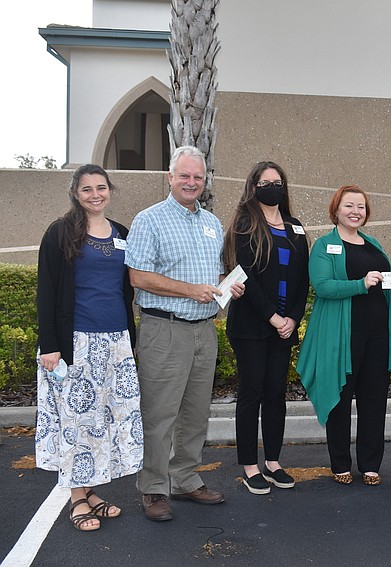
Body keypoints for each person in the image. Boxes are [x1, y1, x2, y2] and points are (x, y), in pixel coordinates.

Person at [125, 146, 245, 521]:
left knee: (195, 413)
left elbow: (208, 276)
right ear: (170, 177)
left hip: (203, 330)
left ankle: (185, 478)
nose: (191, 182)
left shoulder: (210, 221)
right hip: (165, 330)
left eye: (198, 177)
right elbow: (138, 276)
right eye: (184, 175)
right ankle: (154, 488)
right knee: (160, 414)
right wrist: (190, 289)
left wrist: (225, 286)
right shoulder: (149, 220)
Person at [35, 164, 143, 532]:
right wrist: (50, 345)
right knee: (77, 422)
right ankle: (77, 499)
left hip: (116, 341)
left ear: (110, 190)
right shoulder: (60, 233)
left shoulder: (123, 233)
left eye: (101, 187)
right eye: (87, 189)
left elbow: (131, 286)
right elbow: (46, 291)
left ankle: (91, 490)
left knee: (105, 421)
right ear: (75, 193)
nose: (95, 194)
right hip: (75, 343)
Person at [297, 184, 391, 486]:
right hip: (342, 336)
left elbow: (385, 282)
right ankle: (340, 463)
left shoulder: (372, 243)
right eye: (349, 206)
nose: (355, 212)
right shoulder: (325, 246)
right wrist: (360, 284)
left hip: (377, 335)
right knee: (340, 398)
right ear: (336, 210)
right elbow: (322, 286)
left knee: (374, 400)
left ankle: (371, 464)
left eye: (361, 207)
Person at [224, 161, 309, 495]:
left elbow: (303, 279)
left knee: (276, 394)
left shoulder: (296, 227)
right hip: (251, 326)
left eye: (278, 181)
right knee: (252, 394)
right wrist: (274, 317)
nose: (272, 186)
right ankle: (249, 465)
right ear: (253, 186)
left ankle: (273, 462)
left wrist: (293, 318)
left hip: (284, 327)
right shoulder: (245, 225)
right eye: (265, 182)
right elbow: (245, 276)